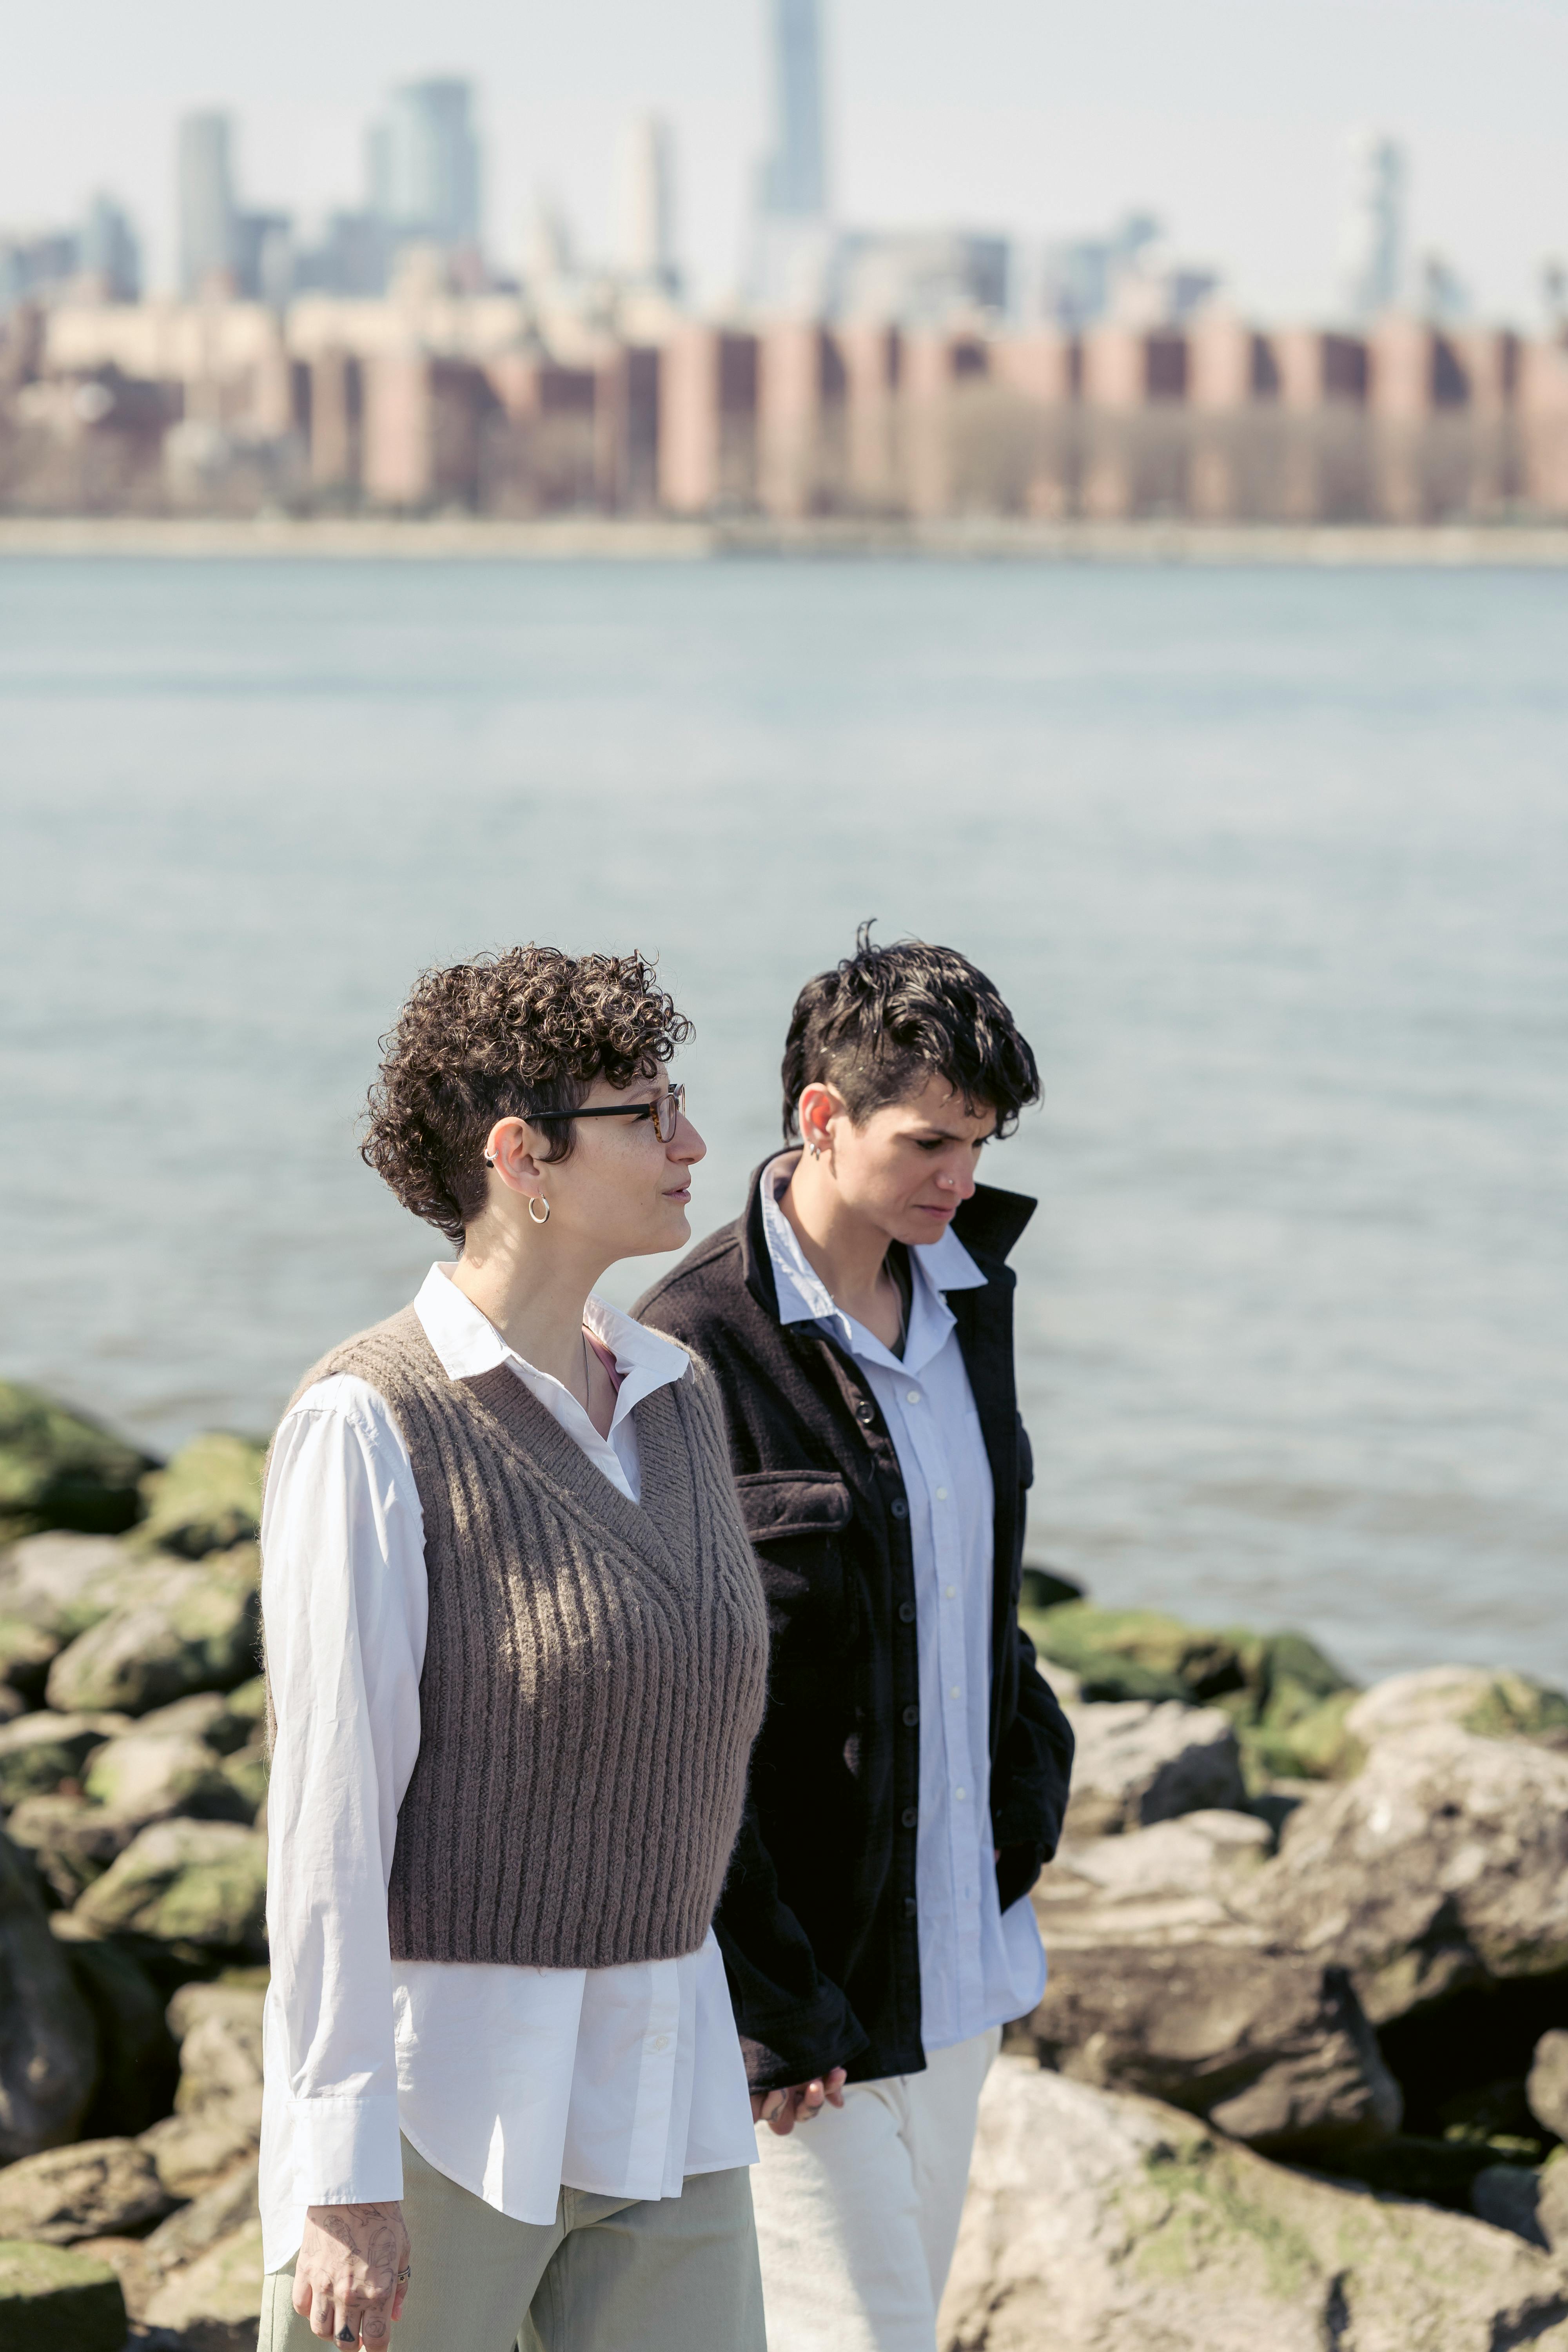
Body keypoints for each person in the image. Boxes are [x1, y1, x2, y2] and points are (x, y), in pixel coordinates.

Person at [256, 947, 771, 2352]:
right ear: (520, 1155)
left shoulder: (674, 1396)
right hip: (445, 2111)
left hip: (667, 2086)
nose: (693, 1144)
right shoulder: (372, 1425)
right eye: (647, 1112)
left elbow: (696, 1745)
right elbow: (328, 1827)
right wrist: (340, 2177)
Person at [635, 927, 1075, 2352]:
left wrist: (1032, 1786)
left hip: (963, 1962)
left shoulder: (968, 1299)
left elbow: (977, 1596)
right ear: (821, 1119)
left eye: (983, 1142)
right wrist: (769, 2005)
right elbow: (675, 1711)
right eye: (933, 1142)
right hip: (801, 2005)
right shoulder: (687, 1345)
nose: (965, 1178)